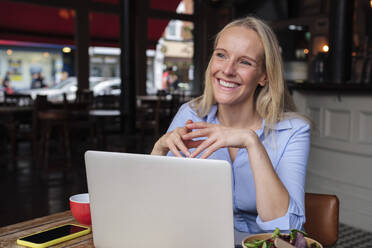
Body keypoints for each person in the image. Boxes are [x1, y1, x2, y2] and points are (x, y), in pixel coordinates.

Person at [151, 16, 311, 244]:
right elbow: (154, 203)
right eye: (221, 55)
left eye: (245, 62)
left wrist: (250, 141)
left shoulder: (294, 131)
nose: (227, 70)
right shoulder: (191, 114)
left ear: (264, 75)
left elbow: (285, 229)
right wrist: (158, 149)